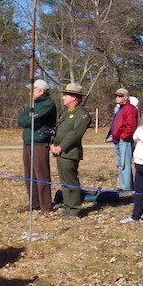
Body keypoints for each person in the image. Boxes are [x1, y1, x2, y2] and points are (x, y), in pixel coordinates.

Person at [50, 83, 91, 218]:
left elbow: (75, 133)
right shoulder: (67, 113)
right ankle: (67, 208)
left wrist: (61, 147)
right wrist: (52, 144)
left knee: (71, 181)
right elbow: (58, 130)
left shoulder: (82, 114)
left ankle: (74, 210)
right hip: (59, 151)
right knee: (64, 182)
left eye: (66, 95)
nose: (63, 98)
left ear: (74, 97)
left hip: (69, 152)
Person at [17, 79, 57, 214]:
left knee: (42, 175)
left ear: (41, 91)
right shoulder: (32, 104)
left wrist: (28, 119)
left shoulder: (48, 105)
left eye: (32, 90)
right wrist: (27, 119)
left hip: (40, 143)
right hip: (28, 143)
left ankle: (46, 206)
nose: (29, 93)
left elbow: (32, 120)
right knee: (29, 174)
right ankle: (34, 203)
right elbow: (21, 120)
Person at [109, 87, 138, 191]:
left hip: (124, 141)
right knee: (120, 163)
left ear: (126, 97)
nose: (117, 97)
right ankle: (123, 184)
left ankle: (126, 187)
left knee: (125, 163)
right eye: (116, 95)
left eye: (120, 96)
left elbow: (131, 126)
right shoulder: (120, 108)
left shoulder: (130, 109)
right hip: (117, 140)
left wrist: (123, 137)